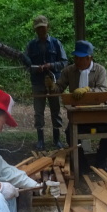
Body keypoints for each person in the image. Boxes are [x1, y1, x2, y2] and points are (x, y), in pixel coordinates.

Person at [51, 40, 107, 171]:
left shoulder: (100, 70)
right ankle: (82, 164)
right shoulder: (69, 71)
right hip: (78, 115)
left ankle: (101, 161)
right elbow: (59, 88)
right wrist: (52, 86)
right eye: (75, 57)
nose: (77, 61)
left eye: (80, 58)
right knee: (70, 133)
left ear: (89, 58)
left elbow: (103, 90)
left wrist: (88, 90)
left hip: (98, 114)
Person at [25, 15, 68, 150]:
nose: (41, 31)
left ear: (47, 27)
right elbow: (26, 64)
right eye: (38, 29)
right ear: (35, 30)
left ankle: (57, 139)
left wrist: (51, 65)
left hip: (54, 81)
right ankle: (40, 140)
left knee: (56, 109)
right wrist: (36, 68)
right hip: (37, 82)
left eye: (43, 28)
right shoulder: (31, 46)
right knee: (38, 111)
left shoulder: (56, 43)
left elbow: (64, 62)